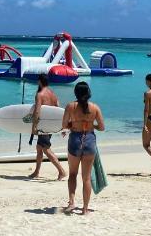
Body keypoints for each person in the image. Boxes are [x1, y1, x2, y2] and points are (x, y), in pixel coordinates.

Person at [62, 81, 105, 215]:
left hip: (75, 140)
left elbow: (64, 125)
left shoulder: (70, 106)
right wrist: (92, 126)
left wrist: (73, 124)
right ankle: (85, 209)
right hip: (89, 141)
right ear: (88, 93)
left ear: (76, 93)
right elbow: (102, 127)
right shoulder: (95, 108)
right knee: (86, 178)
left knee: (73, 174)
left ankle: (72, 202)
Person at [29, 75, 66, 180]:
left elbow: (37, 111)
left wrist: (34, 127)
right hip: (50, 126)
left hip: (43, 126)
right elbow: (58, 109)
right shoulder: (52, 94)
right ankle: (36, 172)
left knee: (46, 149)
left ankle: (61, 171)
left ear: (40, 82)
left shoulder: (39, 95)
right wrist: (62, 127)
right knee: (39, 148)